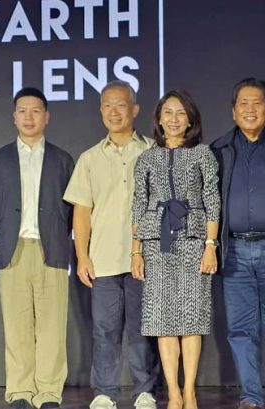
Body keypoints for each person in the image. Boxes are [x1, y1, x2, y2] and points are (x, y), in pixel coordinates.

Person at [64, 80, 159, 409]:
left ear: (135, 109)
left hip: (144, 259)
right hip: (102, 259)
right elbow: (81, 212)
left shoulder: (153, 151)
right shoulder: (90, 158)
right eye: (107, 105)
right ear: (101, 110)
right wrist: (82, 256)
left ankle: (144, 390)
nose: (114, 111)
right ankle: (104, 392)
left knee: (142, 329)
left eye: (121, 104)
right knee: (104, 329)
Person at [210, 78, 265, 409]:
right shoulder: (217, 151)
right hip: (233, 252)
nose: (250, 110)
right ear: (233, 111)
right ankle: (250, 396)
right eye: (243, 104)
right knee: (240, 330)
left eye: (257, 103)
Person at [0, 87, 74, 409]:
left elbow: (72, 210)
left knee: (52, 326)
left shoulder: (63, 159)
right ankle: (20, 391)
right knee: (17, 324)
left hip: (52, 249)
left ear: (46, 117)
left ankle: (48, 392)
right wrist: (9, 231)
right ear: (14, 117)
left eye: (35, 111)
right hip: (14, 249)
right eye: (22, 111)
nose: (28, 117)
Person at [130, 89, 219, 409]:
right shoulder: (146, 158)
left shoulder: (203, 154)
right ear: (158, 118)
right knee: (162, 321)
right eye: (168, 112)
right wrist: (136, 251)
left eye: (181, 113)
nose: (174, 119)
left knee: (192, 319)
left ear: (190, 120)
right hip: (157, 244)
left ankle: (190, 390)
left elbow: (212, 201)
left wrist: (211, 245)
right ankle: (173, 392)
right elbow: (139, 205)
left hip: (194, 240)